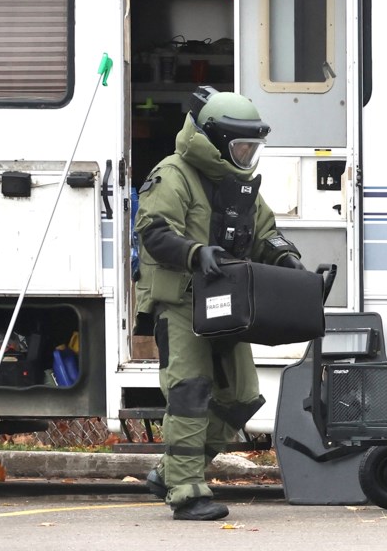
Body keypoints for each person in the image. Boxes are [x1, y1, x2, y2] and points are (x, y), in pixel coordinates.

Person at [134, 86, 305, 521]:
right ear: (213, 140)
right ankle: (187, 492)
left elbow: (264, 231)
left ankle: (169, 471)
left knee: (242, 397)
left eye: (252, 147)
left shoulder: (239, 184)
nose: (247, 155)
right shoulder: (171, 175)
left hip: (226, 303)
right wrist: (196, 253)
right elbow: (154, 232)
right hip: (181, 303)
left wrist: (287, 259)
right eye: (241, 146)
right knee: (189, 392)